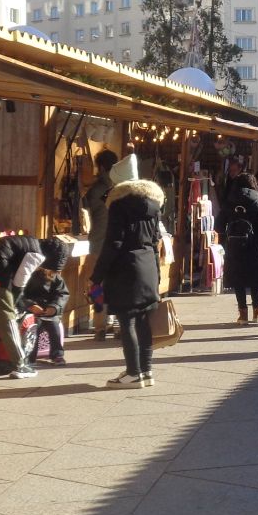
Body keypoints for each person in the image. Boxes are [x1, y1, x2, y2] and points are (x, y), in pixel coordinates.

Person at [92, 153, 165, 389]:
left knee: (127, 321)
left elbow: (114, 242)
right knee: (144, 321)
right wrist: (157, 275)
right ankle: (146, 371)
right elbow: (155, 242)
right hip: (148, 268)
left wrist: (97, 275)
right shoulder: (154, 205)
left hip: (126, 270)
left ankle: (133, 373)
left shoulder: (119, 205)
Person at [0, 232, 72, 379]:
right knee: (8, 320)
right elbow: (20, 283)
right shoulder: (36, 254)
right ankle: (20, 365)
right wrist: (14, 304)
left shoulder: (28, 242)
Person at [217, 171, 258, 325]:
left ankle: (242, 314)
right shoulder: (256, 201)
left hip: (233, 246)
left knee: (238, 278)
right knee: (254, 278)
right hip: (253, 245)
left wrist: (226, 238)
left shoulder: (229, 201)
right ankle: (257, 311)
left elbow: (218, 224)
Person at [82, 149, 119, 339]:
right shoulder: (122, 187)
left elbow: (83, 213)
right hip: (118, 245)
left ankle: (100, 327)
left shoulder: (96, 190)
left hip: (98, 244)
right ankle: (117, 324)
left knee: (97, 285)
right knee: (118, 283)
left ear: (102, 167)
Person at [21, 264, 70, 364]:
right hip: (31, 311)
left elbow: (62, 293)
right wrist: (31, 305)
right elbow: (20, 294)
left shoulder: (54, 275)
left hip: (49, 311)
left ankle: (57, 355)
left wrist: (54, 307)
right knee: (34, 328)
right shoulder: (26, 273)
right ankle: (30, 356)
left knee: (54, 327)